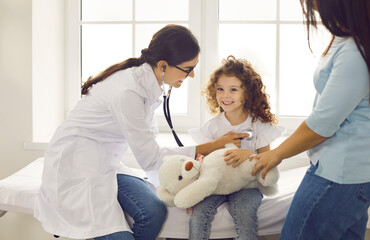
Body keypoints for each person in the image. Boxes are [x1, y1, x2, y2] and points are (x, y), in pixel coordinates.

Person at [33, 24, 248, 240]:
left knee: (154, 211)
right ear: (163, 65)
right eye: (187, 68)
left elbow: (150, 149)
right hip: (76, 170)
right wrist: (211, 146)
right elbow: (150, 158)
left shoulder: (147, 86)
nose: (191, 75)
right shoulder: (128, 92)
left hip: (106, 164)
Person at [251, 0, 370, 239]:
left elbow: (321, 125)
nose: (311, 7)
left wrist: (276, 154)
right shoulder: (349, 39)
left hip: (338, 174)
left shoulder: (354, 52)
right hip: (353, 173)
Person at [188, 55, 284, 240]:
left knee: (244, 213)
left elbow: (268, 161)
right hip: (217, 185)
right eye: (220, 89)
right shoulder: (212, 127)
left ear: (246, 93)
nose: (225, 95)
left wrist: (248, 154)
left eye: (233, 89)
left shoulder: (258, 125)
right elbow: (201, 160)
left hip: (248, 185)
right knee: (198, 213)